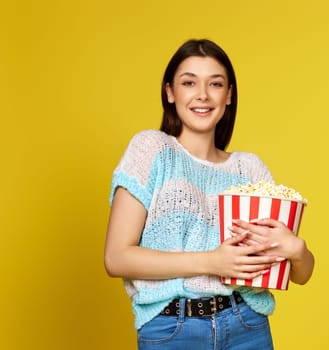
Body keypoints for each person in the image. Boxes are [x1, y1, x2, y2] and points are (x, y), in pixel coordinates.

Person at [104, 38, 314, 350]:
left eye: (215, 84)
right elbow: (117, 257)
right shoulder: (151, 150)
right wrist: (212, 262)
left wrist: (297, 250)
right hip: (173, 329)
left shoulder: (250, 168)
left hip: (247, 324)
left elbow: (299, 275)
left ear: (228, 95)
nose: (202, 94)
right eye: (189, 82)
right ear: (170, 92)